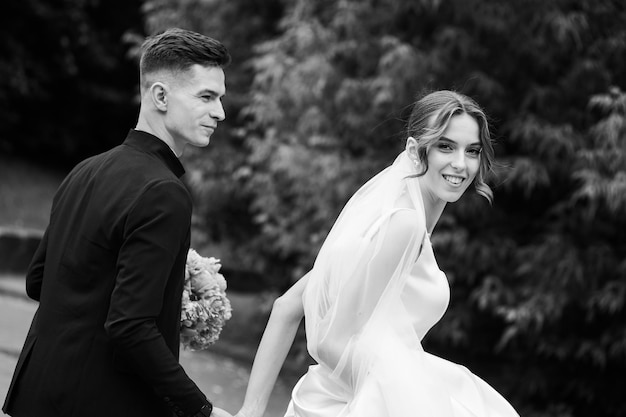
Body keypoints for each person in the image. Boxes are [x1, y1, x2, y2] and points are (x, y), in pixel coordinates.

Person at [234, 90, 520, 417]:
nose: (460, 163)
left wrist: (251, 410)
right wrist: (408, 401)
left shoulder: (397, 219)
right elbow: (331, 342)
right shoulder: (403, 225)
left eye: (472, 151)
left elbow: (288, 306)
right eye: (445, 146)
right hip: (355, 403)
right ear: (415, 149)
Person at [3, 28, 233, 417]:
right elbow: (130, 326)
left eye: (220, 98)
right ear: (160, 96)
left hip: (35, 393)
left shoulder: (85, 170)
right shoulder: (164, 192)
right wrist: (202, 410)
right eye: (206, 97)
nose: (219, 112)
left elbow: (39, 280)